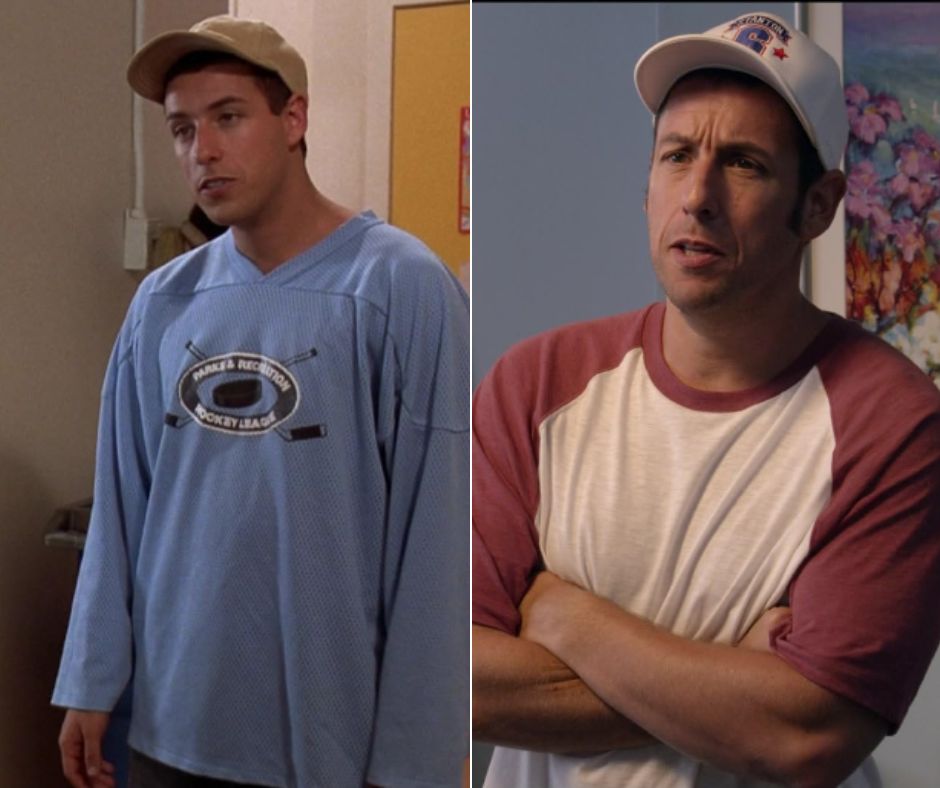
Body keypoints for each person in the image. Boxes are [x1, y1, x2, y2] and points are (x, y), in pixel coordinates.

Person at [472, 11, 940, 788]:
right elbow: (459, 673)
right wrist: (730, 684)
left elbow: (806, 737)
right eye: (677, 155)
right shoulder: (538, 382)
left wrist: (562, 615)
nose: (697, 196)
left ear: (818, 206)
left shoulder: (890, 424)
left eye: (745, 163)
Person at [53, 15, 469, 788]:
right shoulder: (163, 303)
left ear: (294, 120)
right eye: (181, 129)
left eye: (229, 118)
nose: (201, 152)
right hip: (170, 729)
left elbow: (436, 547)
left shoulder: (399, 288)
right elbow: (122, 508)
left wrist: (419, 760)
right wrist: (90, 677)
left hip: (328, 742)